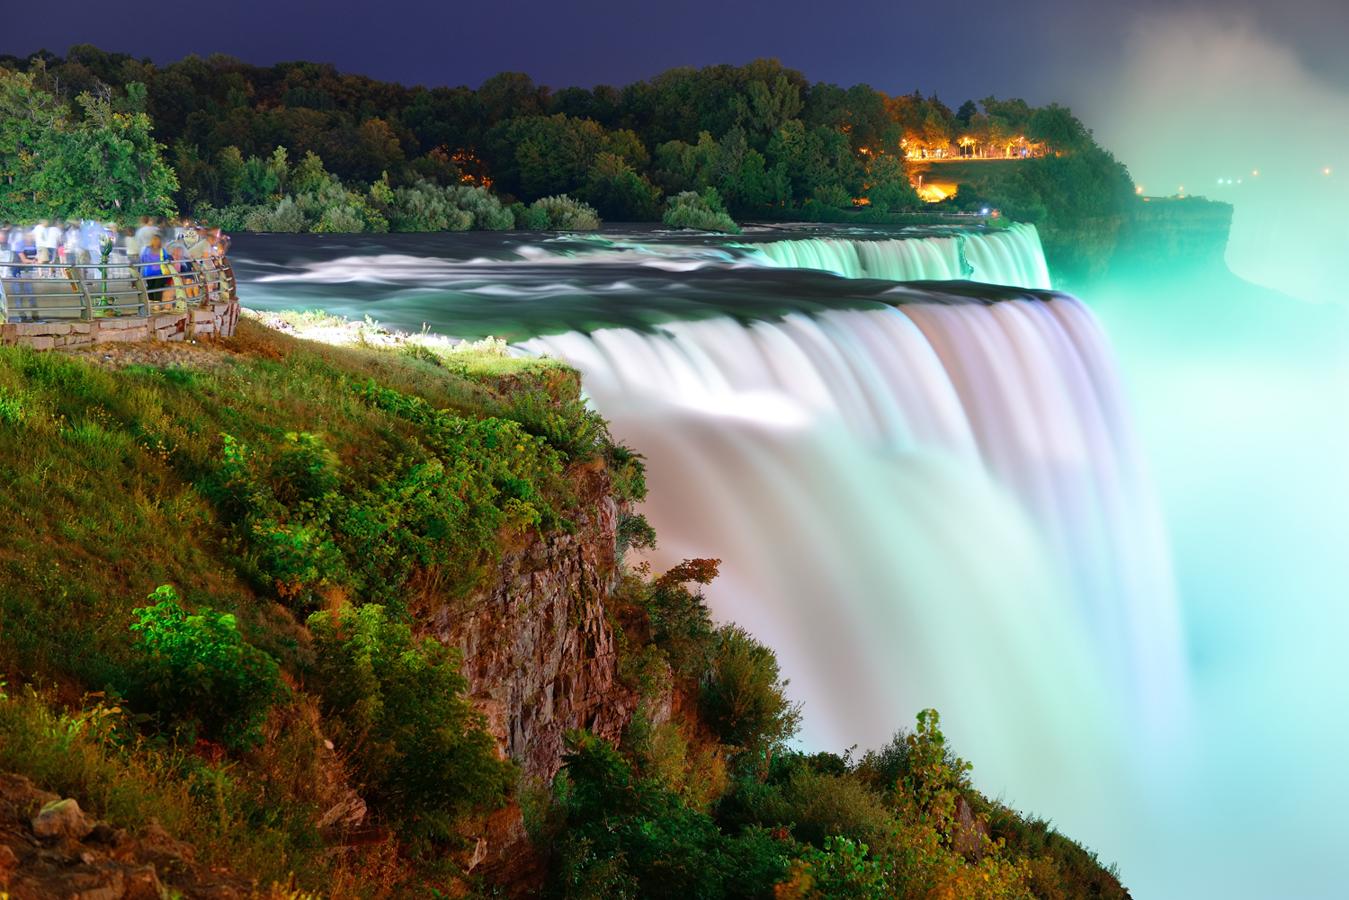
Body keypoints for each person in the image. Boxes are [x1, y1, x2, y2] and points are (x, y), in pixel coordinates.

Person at [139, 233, 174, 309]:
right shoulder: (146, 249)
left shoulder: (162, 250)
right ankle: (151, 303)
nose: (155, 241)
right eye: (154, 239)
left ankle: (157, 304)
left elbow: (166, 258)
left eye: (157, 239)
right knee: (150, 287)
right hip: (149, 273)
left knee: (157, 287)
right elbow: (142, 260)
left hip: (160, 273)